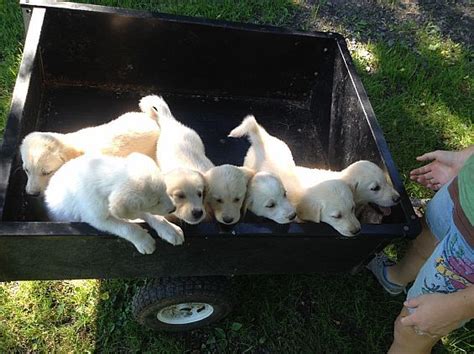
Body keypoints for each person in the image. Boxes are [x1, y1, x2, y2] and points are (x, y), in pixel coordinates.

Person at [367, 145, 474, 353]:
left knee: (412, 328)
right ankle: (394, 278)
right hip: (464, 190)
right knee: (428, 234)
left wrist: (460, 305)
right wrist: (465, 158)